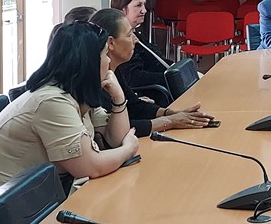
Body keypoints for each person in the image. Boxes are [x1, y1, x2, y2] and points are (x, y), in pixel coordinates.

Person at [0, 23, 139, 201]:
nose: (109, 61)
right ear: (89, 62)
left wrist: (118, 98)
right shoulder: (52, 101)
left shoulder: (77, 94)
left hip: (28, 199)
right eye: (105, 54)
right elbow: (91, 167)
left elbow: (115, 140)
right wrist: (128, 149)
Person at [88, 9, 215, 137]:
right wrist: (170, 121)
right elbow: (116, 129)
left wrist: (171, 113)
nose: (135, 40)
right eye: (129, 35)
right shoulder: (95, 82)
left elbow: (135, 107)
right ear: (110, 43)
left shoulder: (115, 71)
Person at [109, 0, 172, 92]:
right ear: (122, 10)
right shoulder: (121, 42)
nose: (144, 10)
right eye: (138, 5)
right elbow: (134, 78)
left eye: (144, 5)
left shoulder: (137, 35)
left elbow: (155, 62)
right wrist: (169, 78)